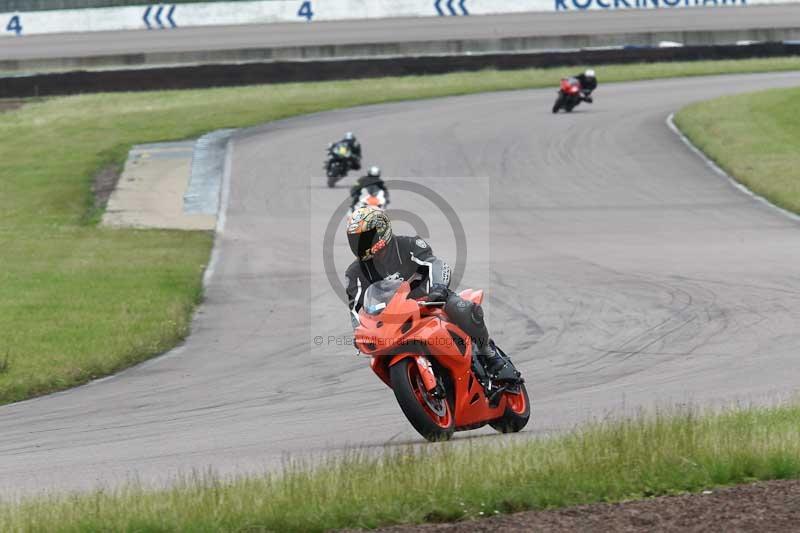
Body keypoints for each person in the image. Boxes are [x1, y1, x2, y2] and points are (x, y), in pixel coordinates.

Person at [344, 206, 521, 383]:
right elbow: (355, 310)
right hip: (394, 318)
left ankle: (490, 357)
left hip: (430, 300)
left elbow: (436, 265)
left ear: (382, 231)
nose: (361, 244)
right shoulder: (354, 273)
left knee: (464, 309)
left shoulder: (408, 245)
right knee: (378, 357)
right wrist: (360, 333)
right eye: (356, 240)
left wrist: (438, 289)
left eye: (365, 238)